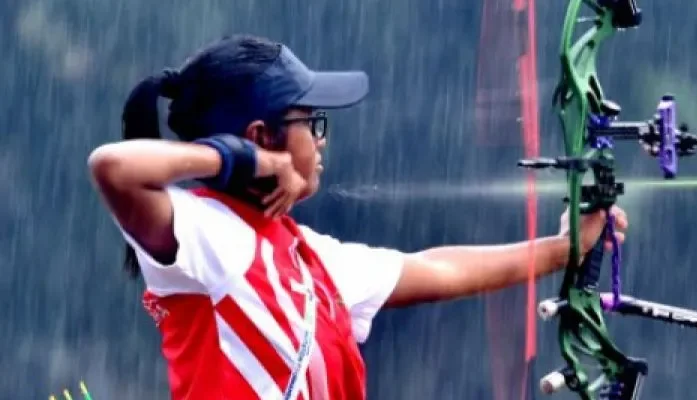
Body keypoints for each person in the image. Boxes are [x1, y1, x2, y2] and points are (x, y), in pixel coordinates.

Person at [87, 34, 628, 400]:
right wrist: (250, 160)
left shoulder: (306, 258)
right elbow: (113, 166)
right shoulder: (206, 234)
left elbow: (439, 269)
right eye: (310, 123)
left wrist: (565, 248)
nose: (321, 139)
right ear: (260, 135)